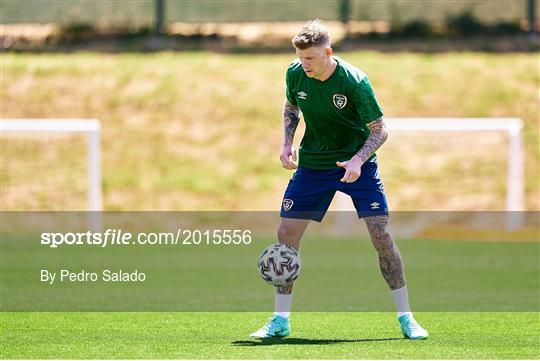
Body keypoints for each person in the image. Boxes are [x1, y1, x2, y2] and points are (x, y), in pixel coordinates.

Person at [250, 20, 428, 340]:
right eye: (301, 58)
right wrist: (287, 142)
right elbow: (292, 106)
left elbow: (380, 128)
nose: (305, 65)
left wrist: (359, 160)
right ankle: (279, 320)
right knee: (286, 233)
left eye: (311, 59)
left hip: (356, 164)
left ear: (328, 52)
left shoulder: (355, 82)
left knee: (381, 235)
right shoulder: (294, 73)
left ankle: (406, 318)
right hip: (314, 165)